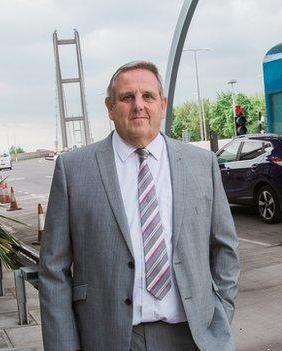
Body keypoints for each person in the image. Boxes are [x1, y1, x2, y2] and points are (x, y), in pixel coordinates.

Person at [39, 60, 240, 351]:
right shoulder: (73, 170)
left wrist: (221, 311)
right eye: (126, 97)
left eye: (148, 96)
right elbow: (53, 270)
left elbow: (225, 248)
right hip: (110, 338)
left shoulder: (202, 164)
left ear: (163, 104)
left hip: (194, 337)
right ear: (109, 107)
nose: (138, 105)